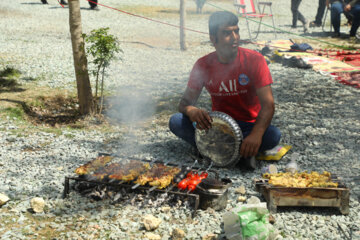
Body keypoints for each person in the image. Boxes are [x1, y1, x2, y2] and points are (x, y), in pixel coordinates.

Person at [168, 11, 281, 169]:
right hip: (218, 127)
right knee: (176, 121)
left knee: (273, 135)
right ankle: (240, 154)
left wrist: (256, 134)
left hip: (248, 126)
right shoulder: (203, 65)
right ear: (213, 39)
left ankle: (211, 151)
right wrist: (192, 110)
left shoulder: (255, 60)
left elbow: (268, 105)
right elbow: (184, 103)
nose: (235, 37)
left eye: (236, 31)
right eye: (227, 33)